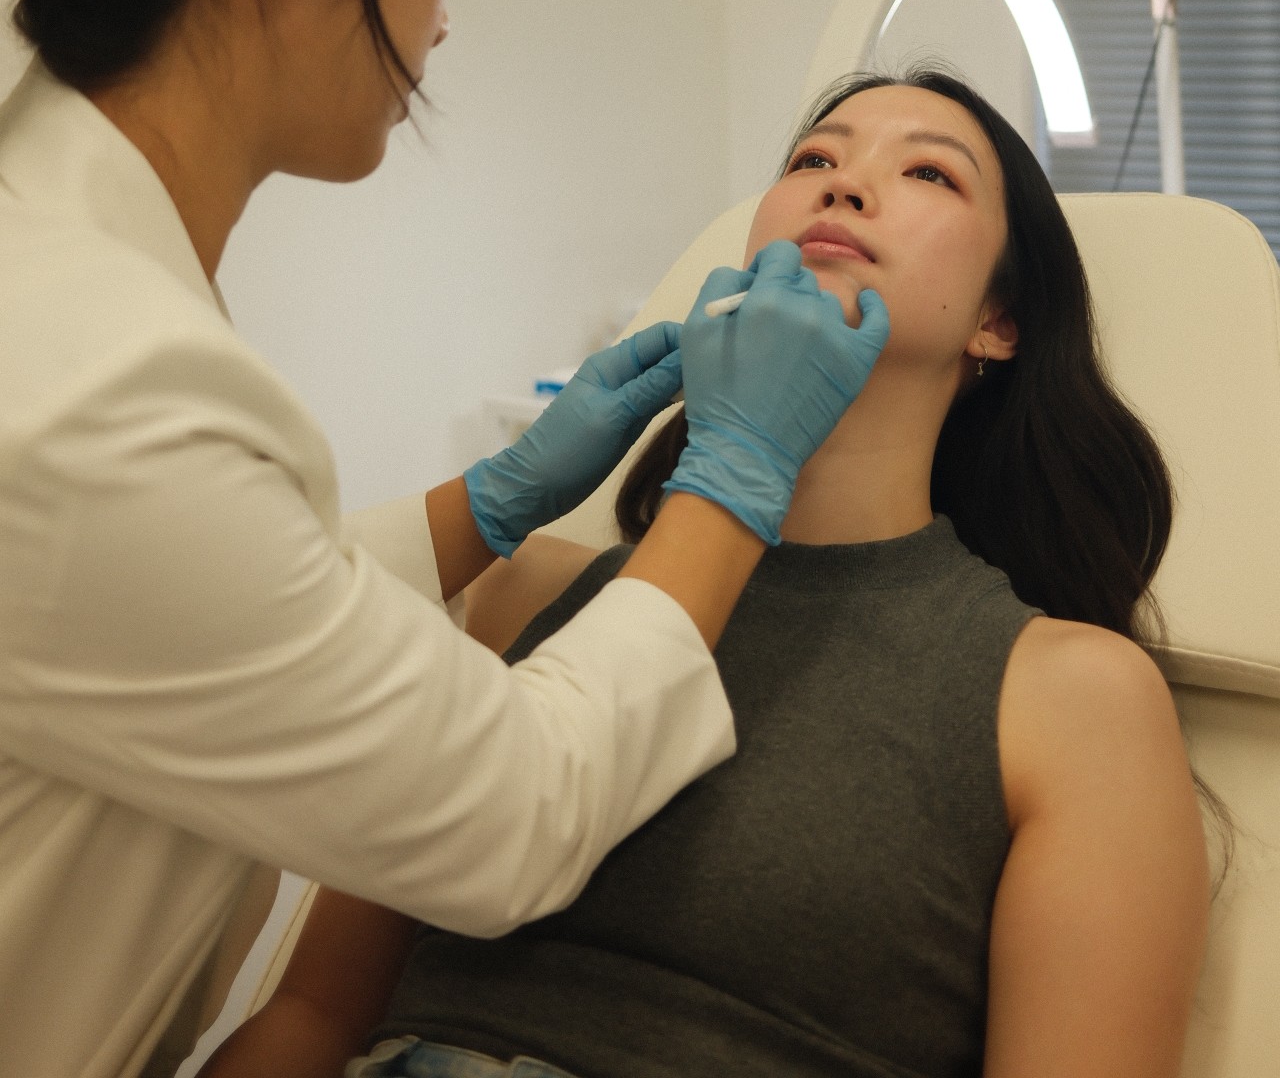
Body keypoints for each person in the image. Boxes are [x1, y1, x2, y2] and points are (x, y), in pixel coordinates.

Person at [0, 0, 891, 1078]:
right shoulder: (94, 382)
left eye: (929, 173)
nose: (448, 0)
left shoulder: (75, 299)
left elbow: (200, 603)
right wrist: (736, 474)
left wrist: (480, 511)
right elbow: (508, 816)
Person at [205, 69, 1212, 1078]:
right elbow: (310, 1016)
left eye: (925, 173)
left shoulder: (1066, 696)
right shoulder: (526, 597)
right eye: (813, 159)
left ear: (997, 320)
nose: (843, 186)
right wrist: (490, 501)